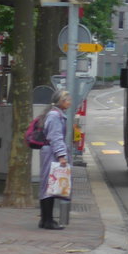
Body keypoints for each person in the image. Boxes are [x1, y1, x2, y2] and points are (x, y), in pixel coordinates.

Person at [38, 89, 72, 230]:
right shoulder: (55, 116)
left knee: (49, 185)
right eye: (68, 99)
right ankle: (48, 221)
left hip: (49, 152)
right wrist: (61, 155)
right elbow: (55, 136)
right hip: (52, 154)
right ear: (62, 101)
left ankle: (45, 219)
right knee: (50, 186)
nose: (70, 102)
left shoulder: (53, 114)